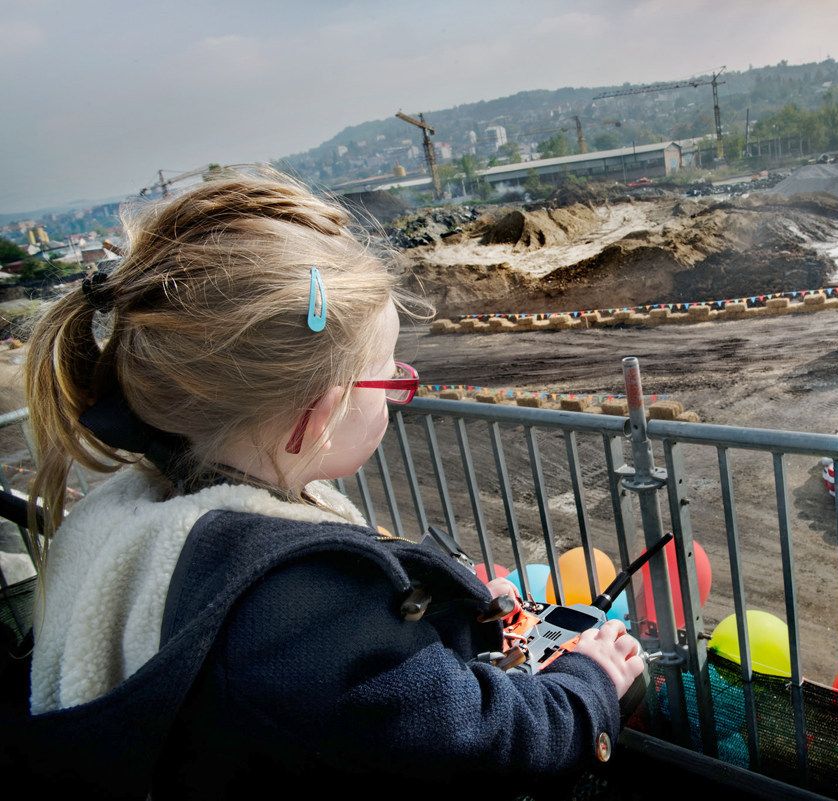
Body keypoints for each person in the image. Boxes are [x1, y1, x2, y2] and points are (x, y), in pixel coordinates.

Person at [16, 170, 643, 797]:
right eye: (389, 377)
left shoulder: (138, 511)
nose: (396, 394)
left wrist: (456, 610)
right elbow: (477, 738)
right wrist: (588, 683)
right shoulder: (296, 605)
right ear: (319, 414)